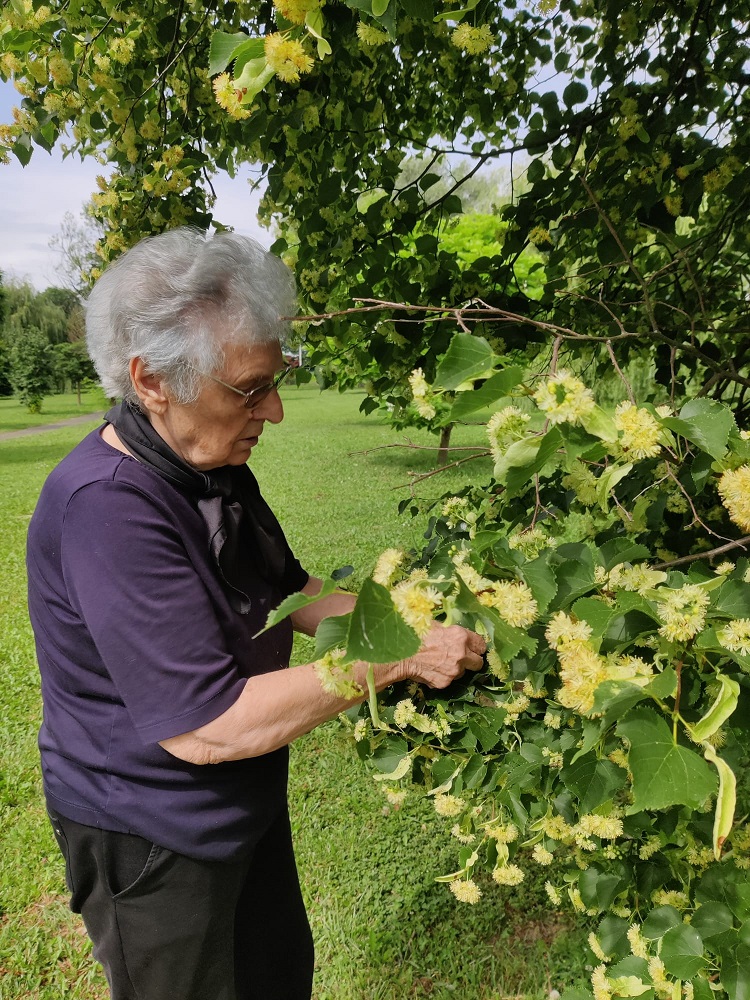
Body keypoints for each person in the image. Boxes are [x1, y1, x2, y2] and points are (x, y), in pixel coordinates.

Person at [26, 227, 486, 1000]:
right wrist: (396, 660)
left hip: (240, 805)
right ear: (152, 382)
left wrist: (414, 623)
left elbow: (292, 591)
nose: (272, 410)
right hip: (150, 833)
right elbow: (212, 726)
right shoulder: (107, 512)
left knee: (275, 981)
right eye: (248, 388)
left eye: (275, 382)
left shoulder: (210, 463)